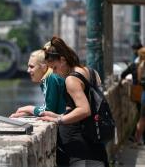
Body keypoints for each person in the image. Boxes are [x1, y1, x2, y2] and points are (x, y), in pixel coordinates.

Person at [38, 36, 108, 167]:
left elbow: (84, 109)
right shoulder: (90, 72)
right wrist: (60, 115)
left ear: (63, 60)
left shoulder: (71, 79)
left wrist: (59, 120)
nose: (54, 72)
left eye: (54, 67)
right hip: (95, 146)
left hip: (81, 150)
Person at [10, 46, 66, 118]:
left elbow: (48, 111)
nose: (28, 70)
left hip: (69, 127)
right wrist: (27, 113)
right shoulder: (51, 77)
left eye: (31, 67)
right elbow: (51, 109)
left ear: (43, 67)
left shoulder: (51, 78)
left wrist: (28, 108)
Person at [135, 47, 145, 144]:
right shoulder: (142, 65)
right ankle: (138, 139)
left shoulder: (140, 65)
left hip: (144, 94)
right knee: (142, 118)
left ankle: (137, 139)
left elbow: (139, 81)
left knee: (142, 118)